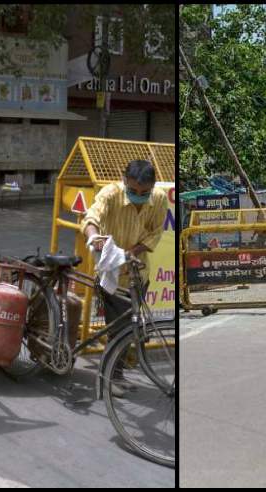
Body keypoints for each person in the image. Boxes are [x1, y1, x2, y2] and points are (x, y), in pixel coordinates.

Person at [83, 159, 168, 396]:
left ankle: (116, 374)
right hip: (111, 273)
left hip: (138, 272)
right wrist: (93, 238)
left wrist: (132, 253)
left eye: (144, 192)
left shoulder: (159, 199)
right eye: (133, 191)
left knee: (129, 327)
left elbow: (154, 233)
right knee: (120, 327)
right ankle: (110, 377)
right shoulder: (110, 194)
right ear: (124, 181)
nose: (138, 196)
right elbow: (92, 218)